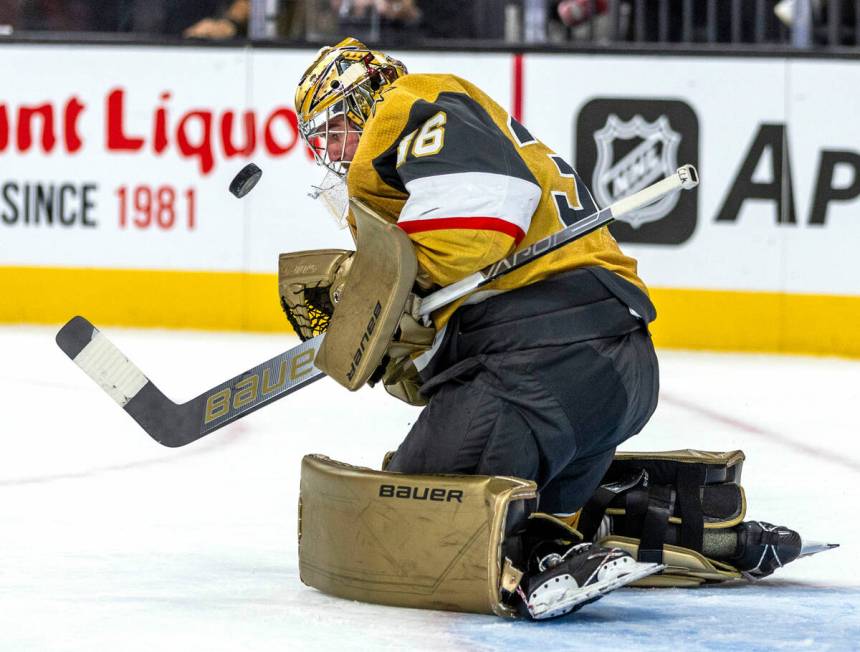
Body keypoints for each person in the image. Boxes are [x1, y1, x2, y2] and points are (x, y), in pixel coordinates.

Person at [292, 38, 662, 617]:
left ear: (363, 100)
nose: (333, 150)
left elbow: (491, 208)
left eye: (334, 128)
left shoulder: (405, 103)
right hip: (617, 370)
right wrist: (397, 340)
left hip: (542, 368)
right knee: (463, 474)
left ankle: (539, 556)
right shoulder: (448, 140)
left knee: (408, 514)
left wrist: (381, 290)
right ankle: (643, 519)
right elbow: (467, 289)